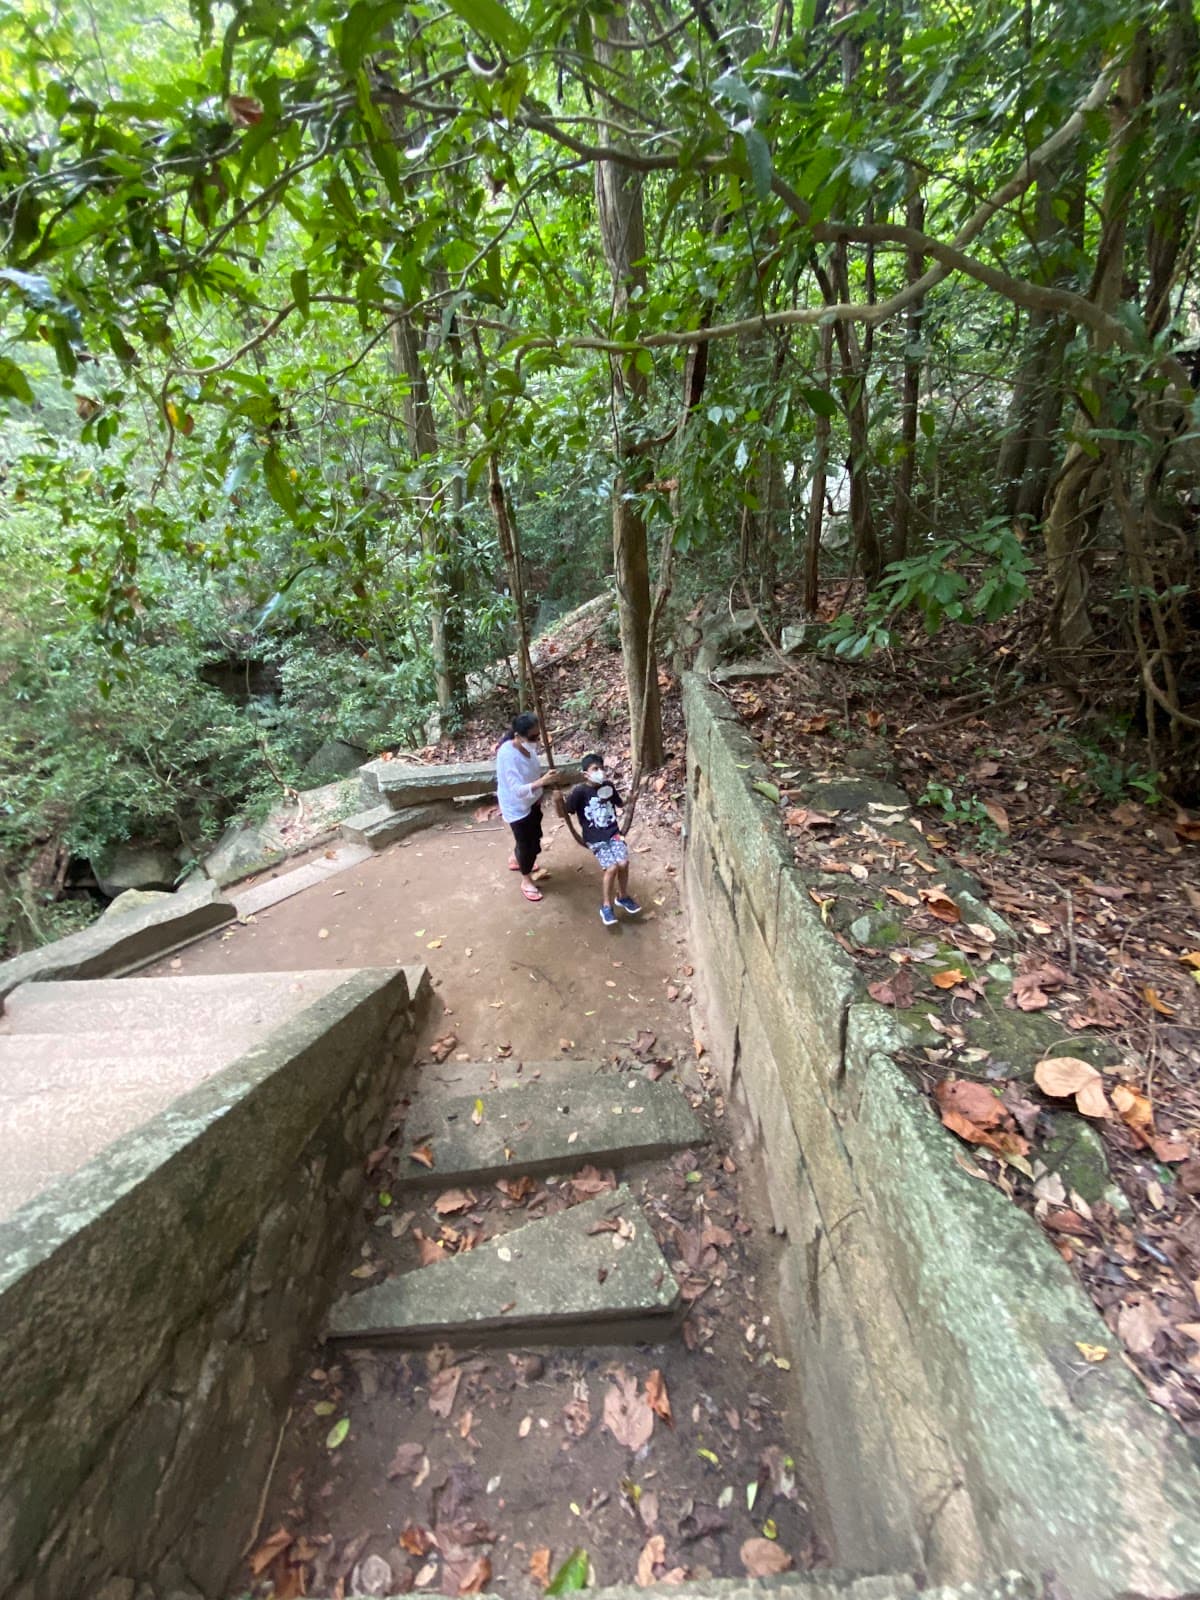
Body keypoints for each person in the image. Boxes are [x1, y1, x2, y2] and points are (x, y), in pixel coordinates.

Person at [563, 752, 642, 927]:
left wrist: (630, 799)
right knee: (611, 868)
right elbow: (566, 811)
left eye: (601, 768)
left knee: (623, 863)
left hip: (613, 832)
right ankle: (606, 906)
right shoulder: (580, 792)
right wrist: (557, 801)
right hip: (594, 837)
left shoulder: (608, 786)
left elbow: (619, 803)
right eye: (595, 769)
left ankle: (622, 896)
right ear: (585, 774)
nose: (600, 772)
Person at [495, 711, 558, 903]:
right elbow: (516, 790)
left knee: (534, 837)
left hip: (532, 801)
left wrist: (540, 789)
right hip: (517, 807)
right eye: (533, 737)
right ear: (518, 736)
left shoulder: (526, 746)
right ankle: (526, 880)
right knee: (527, 846)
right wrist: (543, 782)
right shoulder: (508, 756)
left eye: (538, 736)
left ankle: (517, 859)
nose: (536, 740)